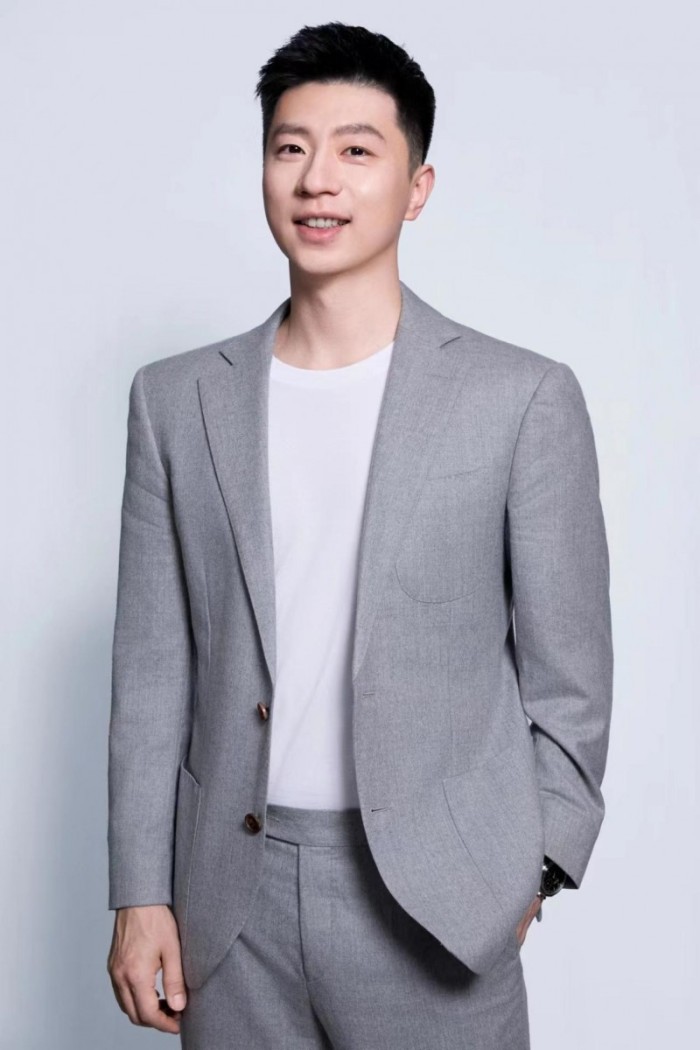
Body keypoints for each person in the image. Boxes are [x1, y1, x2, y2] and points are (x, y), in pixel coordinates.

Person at [106, 21, 613, 1049]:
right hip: (228, 901)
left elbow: (572, 678)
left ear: (416, 187)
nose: (316, 180)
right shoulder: (175, 401)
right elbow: (154, 668)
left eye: (355, 150)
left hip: (436, 903)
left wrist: (533, 867)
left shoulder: (519, 399)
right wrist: (139, 889)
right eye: (290, 147)